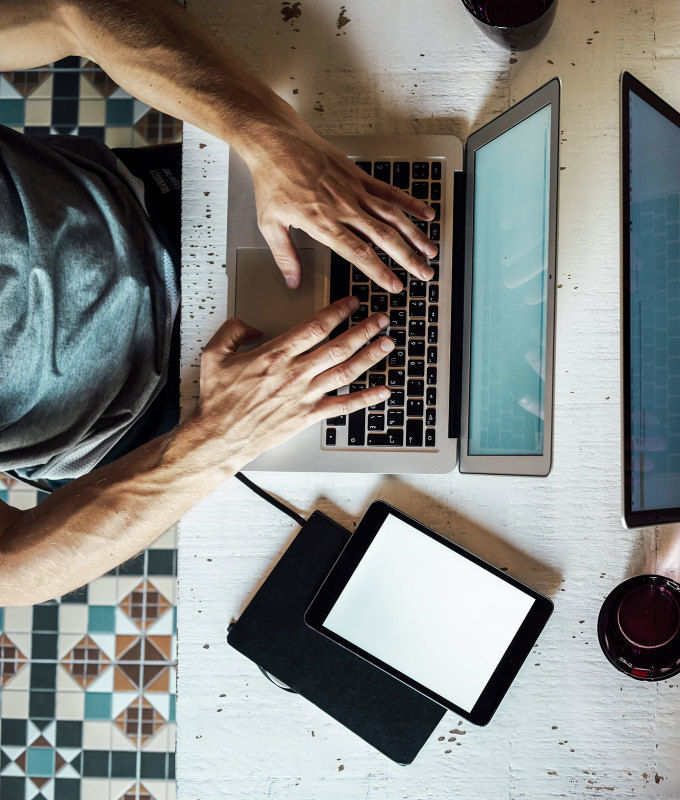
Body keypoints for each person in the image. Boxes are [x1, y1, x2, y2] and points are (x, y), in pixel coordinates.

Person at [0, 0, 438, 605]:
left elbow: (69, 12)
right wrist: (222, 435)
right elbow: (7, 571)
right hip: (156, 434)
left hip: (169, 205)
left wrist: (268, 137)